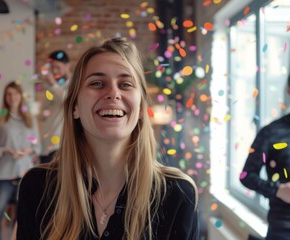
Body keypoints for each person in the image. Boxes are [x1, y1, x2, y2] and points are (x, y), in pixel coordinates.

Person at [16, 37, 199, 239]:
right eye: (97, 83)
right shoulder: (36, 188)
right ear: (75, 107)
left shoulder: (178, 195)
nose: (113, 93)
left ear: (140, 108)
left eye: (126, 84)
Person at [0, 81, 41, 240]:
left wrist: (29, 150)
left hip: (25, 174)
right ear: (5, 97)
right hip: (3, 174)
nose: (12, 97)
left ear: (20, 96)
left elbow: (38, 147)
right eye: (8, 94)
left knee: (24, 219)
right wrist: (4, 151)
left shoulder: (30, 119)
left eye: (15, 93)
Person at [240, 74, 290, 240]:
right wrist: (277, 190)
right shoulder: (270, 133)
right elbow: (246, 176)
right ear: (289, 91)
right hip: (283, 229)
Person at [39, 50, 71, 163]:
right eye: (52, 68)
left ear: (68, 66)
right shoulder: (51, 88)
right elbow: (42, 116)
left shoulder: (74, 84)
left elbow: (68, 102)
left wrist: (53, 84)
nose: (54, 71)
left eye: (57, 67)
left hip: (61, 145)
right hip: (45, 144)